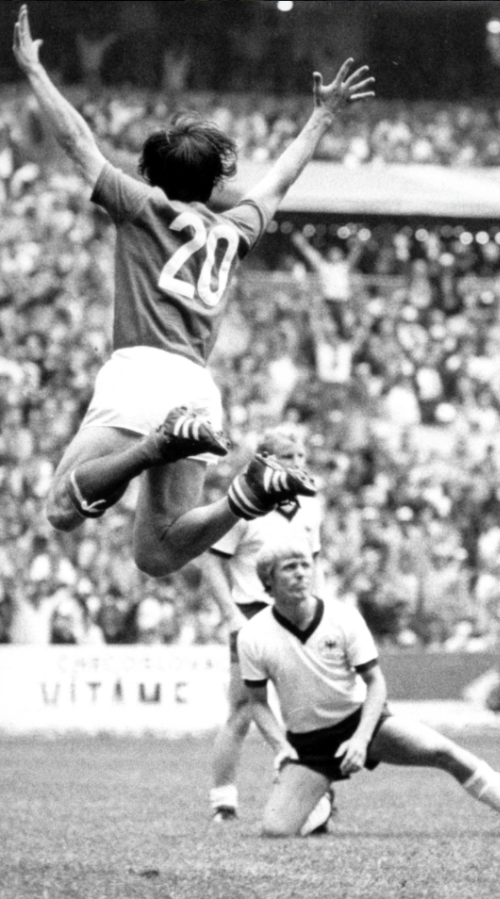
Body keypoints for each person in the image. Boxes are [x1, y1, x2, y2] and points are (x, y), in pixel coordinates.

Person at [13, 6, 375, 577]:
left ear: (153, 173)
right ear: (216, 182)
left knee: (62, 509)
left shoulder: (141, 206)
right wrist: (323, 116)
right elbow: (279, 179)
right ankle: (248, 493)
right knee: (157, 552)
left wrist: (34, 70)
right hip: (198, 389)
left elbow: (79, 142)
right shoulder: (235, 230)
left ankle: (155, 446)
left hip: (141, 370)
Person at [238, 539, 500, 838]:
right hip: (309, 743)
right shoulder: (253, 636)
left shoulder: (342, 616)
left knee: (445, 753)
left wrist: (361, 740)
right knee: (276, 832)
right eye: (289, 568)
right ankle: (321, 803)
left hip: (363, 723)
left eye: (305, 565)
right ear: (269, 580)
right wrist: (281, 747)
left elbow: (375, 683)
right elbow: (257, 703)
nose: (300, 574)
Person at [205, 427, 326, 825]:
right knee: (241, 709)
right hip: (254, 612)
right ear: (267, 460)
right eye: (288, 457)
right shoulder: (242, 502)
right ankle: (223, 800)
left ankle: (318, 796)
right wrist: (231, 614)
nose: (297, 465)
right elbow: (212, 561)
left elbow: (314, 560)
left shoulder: (309, 505)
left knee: (310, 708)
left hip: (298, 612)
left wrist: (321, 606)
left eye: (301, 457)